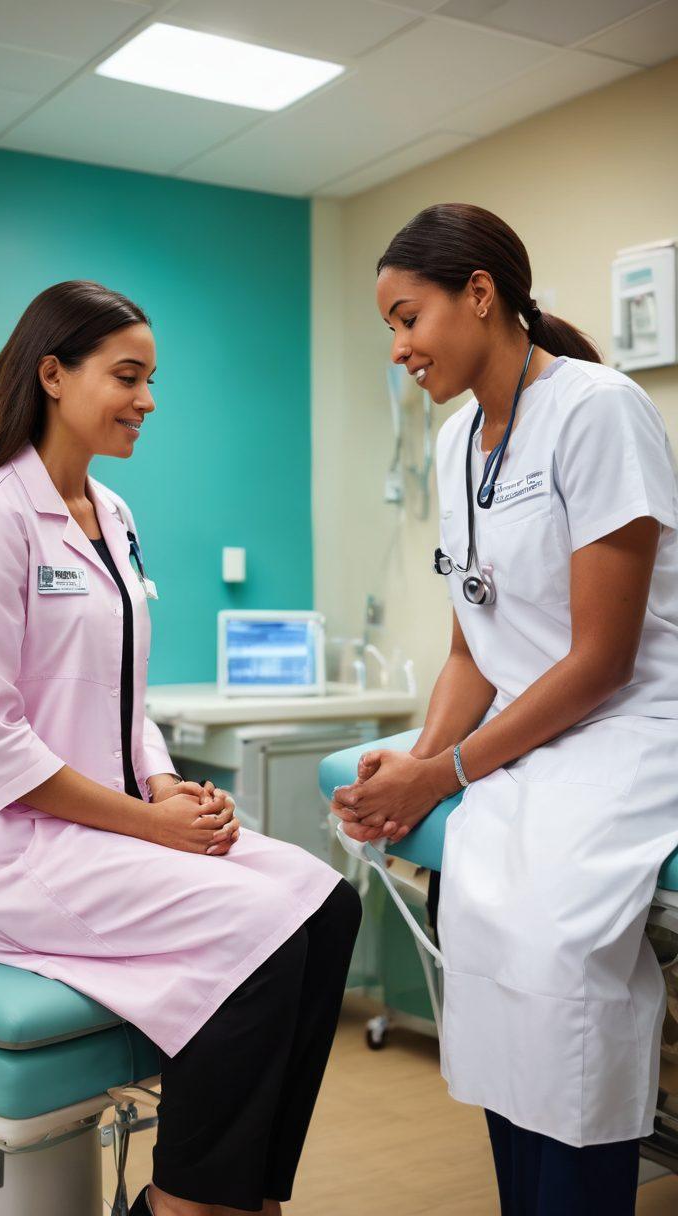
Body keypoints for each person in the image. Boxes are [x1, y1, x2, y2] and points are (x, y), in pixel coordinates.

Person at [0, 280, 361, 1216]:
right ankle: (184, 1204)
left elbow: (123, 696)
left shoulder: (111, 516)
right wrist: (154, 826)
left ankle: (250, 1195)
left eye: (151, 379)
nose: (147, 400)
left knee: (328, 907)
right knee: (259, 936)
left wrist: (167, 786)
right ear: (53, 374)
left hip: (103, 829)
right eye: (127, 376)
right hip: (0, 851)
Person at [331, 203, 678, 1215]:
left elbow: (603, 659)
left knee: (556, 946)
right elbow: (468, 647)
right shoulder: (454, 442)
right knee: (476, 915)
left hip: (629, 726)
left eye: (407, 318)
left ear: (479, 294)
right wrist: (411, 772)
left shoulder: (596, 408)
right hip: (530, 739)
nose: (397, 348)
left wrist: (446, 770)